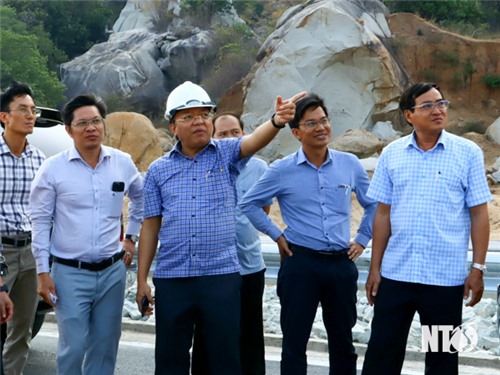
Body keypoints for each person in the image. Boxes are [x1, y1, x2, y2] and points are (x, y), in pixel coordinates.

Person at [136, 81, 306, 374]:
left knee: (224, 358)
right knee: (170, 358)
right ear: (173, 126)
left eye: (204, 114)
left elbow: (253, 140)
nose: (198, 121)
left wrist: (277, 121)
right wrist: (142, 280)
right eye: (188, 116)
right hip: (173, 278)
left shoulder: (225, 155)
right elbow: (150, 226)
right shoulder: (158, 171)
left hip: (220, 277)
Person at [240, 93, 377, 375]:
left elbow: (373, 203)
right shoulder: (281, 169)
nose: (321, 127)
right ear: (296, 132)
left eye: (324, 120)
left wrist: (362, 239)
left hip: (340, 264)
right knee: (294, 343)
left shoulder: (349, 164)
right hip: (300, 264)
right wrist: (277, 235)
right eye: (311, 123)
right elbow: (249, 204)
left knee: (343, 343)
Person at [361, 82, 491, 375]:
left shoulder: (467, 152)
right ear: (409, 115)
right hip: (396, 276)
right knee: (382, 354)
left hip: (445, 280)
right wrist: (375, 268)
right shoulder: (392, 153)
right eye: (428, 105)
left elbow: (479, 213)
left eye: (441, 103)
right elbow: (382, 214)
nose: (438, 110)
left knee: (442, 359)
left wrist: (478, 268)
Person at [30, 94, 144, 375]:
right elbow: (41, 221)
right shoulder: (53, 168)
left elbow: (142, 199)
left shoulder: (122, 163)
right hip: (69, 273)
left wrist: (131, 236)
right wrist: (43, 273)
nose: (91, 127)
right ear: (69, 130)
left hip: (112, 273)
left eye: (96, 121)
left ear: (103, 125)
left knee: (105, 346)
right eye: (83, 123)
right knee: (74, 347)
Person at [192, 112, 273, 375]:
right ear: (213, 138)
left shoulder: (260, 168)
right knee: (209, 334)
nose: (229, 138)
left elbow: (264, 210)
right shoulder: (204, 166)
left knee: (249, 333)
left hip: (249, 266)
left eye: (235, 132)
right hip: (212, 268)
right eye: (222, 134)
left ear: (244, 134)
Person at [0, 81, 45, 375]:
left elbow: (45, 214)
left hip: (29, 252)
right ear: (4, 116)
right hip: (1, 248)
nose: (30, 116)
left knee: (22, 332)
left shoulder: (40, 160)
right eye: (23, 110)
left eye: (33, 110)